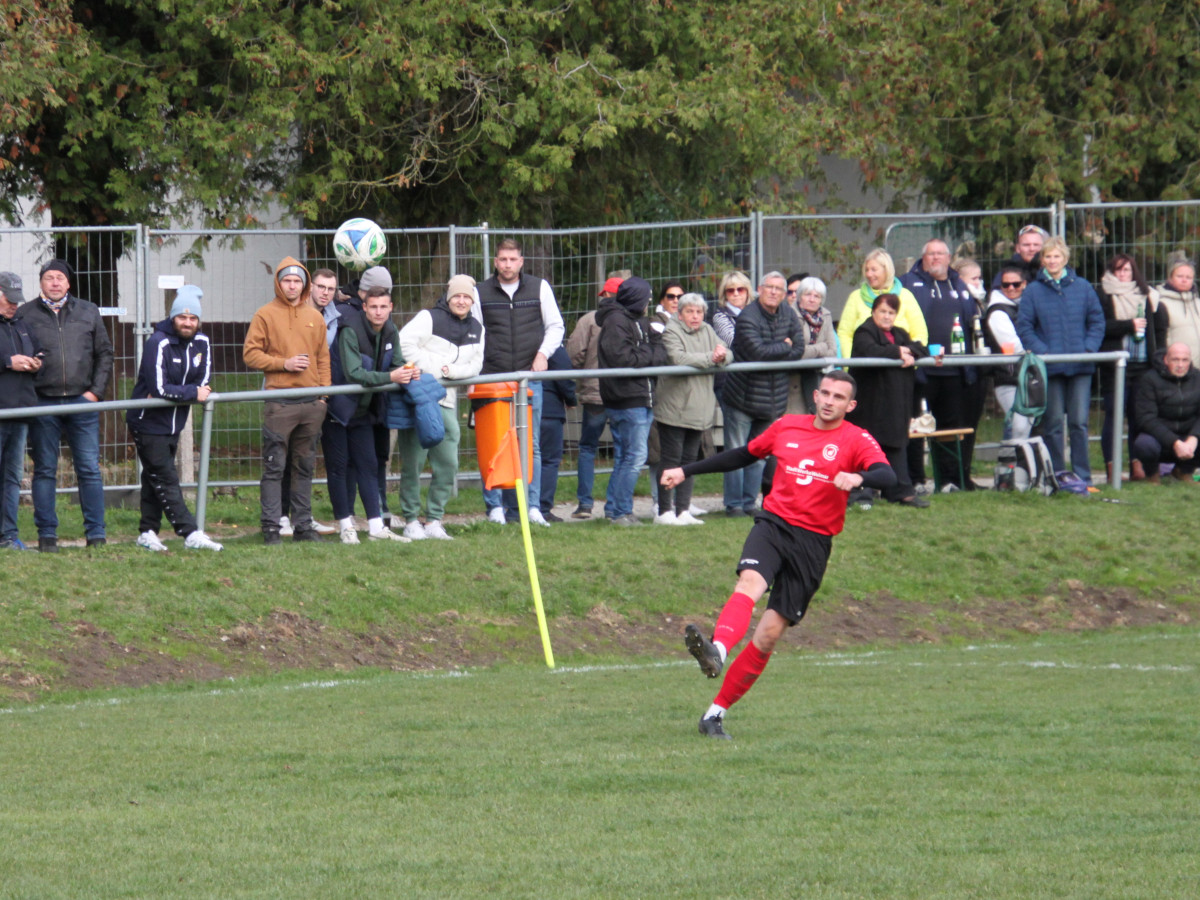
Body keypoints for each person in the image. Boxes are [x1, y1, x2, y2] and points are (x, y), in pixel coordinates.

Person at [663, 370, 895, 740]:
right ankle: (717, 650)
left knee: (769, 635)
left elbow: (888, 475)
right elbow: (741, 454)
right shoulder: (787, 426)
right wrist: (685, 470)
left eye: (839, 397)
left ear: (850, 406)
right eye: (826, 394)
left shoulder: (856, 439)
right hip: (773, 525)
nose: (830, 401)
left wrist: (859, 478)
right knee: (750, 581)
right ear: (815, 395)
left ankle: (714, 715)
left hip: (814, 542)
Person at [16, 259, 114, 552]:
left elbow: (105, 354)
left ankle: (96, 535)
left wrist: (95, 393)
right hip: (42, 403)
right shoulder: (25, 314)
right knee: (45, 469)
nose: (55, 282)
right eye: (49, 278)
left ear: (69, 283)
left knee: (88, 469)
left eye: (60, 278)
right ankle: (47, 537)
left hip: (82, 402)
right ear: (41, 283)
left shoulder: (88, 311)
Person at [474, 239, 565, 526]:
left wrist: (542, 355)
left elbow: (556, 326)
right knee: (494, 443)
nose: (507, 264)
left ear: (521, 261)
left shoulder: (540, 287)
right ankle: (495, 508)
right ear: (496, 261)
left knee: (531, 445)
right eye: (502, 259)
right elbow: (475, 334)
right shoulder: (480, 292)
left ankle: (531, 506)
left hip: (528, 379)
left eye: (513, 259)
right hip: (492, 377)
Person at [242, 256, 332, 544]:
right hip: (280, 402)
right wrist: (284, 364)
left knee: (304, 466)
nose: (292, 286)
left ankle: (303, 526)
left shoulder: (315, 316)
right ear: (278, 283)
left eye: (297, 281)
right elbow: (250, 354)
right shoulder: (264, 314)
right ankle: (270, 528)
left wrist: (323, 394)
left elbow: (322, 357)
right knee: (274, 466)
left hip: (312, 404)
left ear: (303, 284)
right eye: (287, 280)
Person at [126, 286, 223, 552]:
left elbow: (205, 381)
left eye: (193, 319)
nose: (188, 323)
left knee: (154, 477)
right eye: (182, 317)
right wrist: (191, 392)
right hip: (147, 422)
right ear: (173, 318)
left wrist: (191, 391)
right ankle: (190, 533)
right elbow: (159, 387)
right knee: (166, 478)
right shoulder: (158, 342)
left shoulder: (202, 342)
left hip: (174, 423)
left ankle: (147, 532)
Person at [397, 274, 485, 540]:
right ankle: (411, 519)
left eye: (466, 297)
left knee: (448, 462)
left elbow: (476, 364)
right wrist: (438, 370)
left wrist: (454, 372)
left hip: (447, 401)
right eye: (456, 296)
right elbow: (404, 345)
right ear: (449, 297)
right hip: (420, 397)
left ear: (472, 300)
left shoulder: (477, 328)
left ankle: (434, 519)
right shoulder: (429, 318)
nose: (461, 301)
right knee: (413, 462)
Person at [323, 276, 410, 544]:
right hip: (337, 408)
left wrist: (407, 372)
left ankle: (375, 527)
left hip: (365, 410)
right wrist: (391, 378)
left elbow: (396, 363)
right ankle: (346, 525)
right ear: (364, 306)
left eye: (383, 307)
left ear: (391, 307)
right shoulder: (349, 329)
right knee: (339, 467)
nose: (378, 312)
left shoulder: (391, 330)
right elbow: (353, 374)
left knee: (369, 464)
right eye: (373, 307)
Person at [1017, 236, 1105, 483]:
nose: (1052, 261)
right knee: (1054, 424)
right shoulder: (1033, 291)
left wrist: (1088, 349)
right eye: (1047, 256)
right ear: (1042, 260)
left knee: (1078, 423)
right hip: (1050, 369)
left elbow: (1097, 321)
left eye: (1057, 256)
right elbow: (1025, 327)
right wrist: (1042, 351)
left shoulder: (1083, 287)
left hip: (1080, 367)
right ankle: (1058, 476)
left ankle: (1083, 477)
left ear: (1065, 259)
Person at [720, 271, 807, 515]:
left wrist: (782, 349)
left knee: (759, 456)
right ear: (760, 289)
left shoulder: (789, 314)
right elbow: (757, 352)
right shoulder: (748, 316)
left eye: (779, 289)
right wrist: (784, 346)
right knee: (736, 454)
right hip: (742, 397)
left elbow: (799, 348)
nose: (774, 292)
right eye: (769, 287)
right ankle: (733, 505)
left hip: (773, 399)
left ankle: (750, 504)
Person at [900, 239, 979, 491]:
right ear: (923, 258)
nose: (935, 258)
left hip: (954, 370)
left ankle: (949, 480)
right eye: (930, 254)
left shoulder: (959, 283)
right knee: (914, 427)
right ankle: (916, 480)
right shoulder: (907, 283)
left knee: (949, 427)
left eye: (940, 254)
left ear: (948, 258)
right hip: (920, 369)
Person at [597, 276, 669, 525]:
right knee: (635, 456)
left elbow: (662, 351)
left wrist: (647, 353)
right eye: (647, 299)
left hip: (641, 396)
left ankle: (614, 508)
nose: (648, 304)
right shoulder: (616, 322)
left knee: (625, 456)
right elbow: (624, 358)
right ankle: (621, 512)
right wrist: (650, 353)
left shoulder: (639, 320)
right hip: (627, 399)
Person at [847, 293, 931, 507]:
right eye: (883, 311)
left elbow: (921, 348)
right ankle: (861, 493)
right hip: (870, 404)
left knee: (896, 446)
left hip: (895, 404)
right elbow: (869, 351)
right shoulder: (864, 331)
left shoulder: (900, 333)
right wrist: (898, 352)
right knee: (866, 448)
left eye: (891, 312)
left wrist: (906, 350)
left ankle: (900, 491)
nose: (886, 316)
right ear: (874, 312)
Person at [653, 292, 729, 525]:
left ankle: (683, 509)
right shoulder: (671, 331)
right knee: (671, 460)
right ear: (680, 313)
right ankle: (664, 511)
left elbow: (726, 352)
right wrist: (712, 358)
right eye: (690, 312)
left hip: (701, 408)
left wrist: (722, 356)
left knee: (689, 462)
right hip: (674, 407)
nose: (695, 316)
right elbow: (678, 358)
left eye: (699, 312)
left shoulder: (708, 330)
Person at [276, 267, 341, 537]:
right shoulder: (291, 312)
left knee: (304, 460)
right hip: (284, 396)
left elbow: (323, 356)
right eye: (321, 287)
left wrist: (323, 397)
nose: (325, 293)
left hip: (313, 398)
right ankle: (279, 517)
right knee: (281, 458)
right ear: (309, 287)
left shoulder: (334, 317)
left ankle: (303, 517)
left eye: (331, 289)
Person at [1098, 254, 1167, 481]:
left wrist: (1158, 359)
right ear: (1110, 271)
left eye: (1126, 270)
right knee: (1113, 416)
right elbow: (1100, 327)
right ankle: (1111, 467)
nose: (1122, 274)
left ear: (1133, 272)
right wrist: (1128, 325)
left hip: (1143, 366)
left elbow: (1158, 331)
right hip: (1115, 366)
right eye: (1117, 270)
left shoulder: (1148, 296)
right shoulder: (1103, 295)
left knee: (1139, 417)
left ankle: (1137, 465)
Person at [566, 276, 621, 519]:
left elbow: (574, 354)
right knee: (623, 450)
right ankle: (614, 506)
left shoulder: (589, 319)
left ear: (606, 296)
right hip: (623, 395)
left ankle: (585, 505)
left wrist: (581, 378)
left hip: (595, 394)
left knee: (588, 447)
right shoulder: (634, 320)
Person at [0, 272, 40, 550]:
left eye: (17, 300)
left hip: (20, 412)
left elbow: (40, 352)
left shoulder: (22, 325)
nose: (14, 305)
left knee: (12, 477)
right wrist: (7, 362)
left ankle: (8, 535)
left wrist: (36, 363)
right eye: (8, 300)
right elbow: (8, 361)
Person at [837, 248, 928, 355]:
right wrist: (851, 363)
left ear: (886, 270)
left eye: (874, 270)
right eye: (866, 270)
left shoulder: (906, 296)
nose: (869, 274)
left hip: (900, 367)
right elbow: (844, 334)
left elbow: (919, 333)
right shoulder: (856, 297)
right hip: (864, 368)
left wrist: (910, 358)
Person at [1133, 342, 1200, 483]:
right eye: (1175, 359)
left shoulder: (1198, 378)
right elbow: (1146, 418)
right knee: (1144, 444)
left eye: (1185, 360)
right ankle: (1152, 475)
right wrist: (1175, 442)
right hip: (1159, 438)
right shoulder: (1149, 379)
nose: (1180, 365)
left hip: (1188, 437)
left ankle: (1184, 471)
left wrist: (1194, 438)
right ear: (1166, 360)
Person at [983, 265, 1033, 440]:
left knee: (1027, 426)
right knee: (1018, 426)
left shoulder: (1028, 305)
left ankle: (1018, 465)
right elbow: (1012, 345)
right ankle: (1010, 465)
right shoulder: (997, 310)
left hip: (1031, 374)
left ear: (1024, 284)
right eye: (1006, 285)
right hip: (1008, 376)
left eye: (1016, 284)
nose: (1011, 288)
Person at [788, 276, 839, 414]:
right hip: (793, 380)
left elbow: (833, 351)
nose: (812, 299)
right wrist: (821, 347)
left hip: (818, 376)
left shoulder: (826, 315)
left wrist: (809, 352)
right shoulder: (789, 315)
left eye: (817, 296)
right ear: (799, 296)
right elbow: (795, 352)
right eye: (808, 294)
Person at [537, 345, 576, 522]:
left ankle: (519, 507)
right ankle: (542, 508)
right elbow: (564, 375)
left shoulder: (522, 340)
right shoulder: (552, 345)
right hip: (549, 409)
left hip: (522, 406)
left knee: (525, 459)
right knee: (549, 460)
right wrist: (570, 399)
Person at [1156, 259, 1200, 368]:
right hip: (1177, 368)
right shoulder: (1161, 304)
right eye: (1179, 276)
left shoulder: (1197, 303)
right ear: (1170, 278)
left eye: (1188, 277)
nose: (1184, 280)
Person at [990, 224, 1047, 289]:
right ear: (1018, 248)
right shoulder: (1006, 273)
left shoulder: (1051, 269)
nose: (1032, 249)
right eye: (1026, 245)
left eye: (1036, 245)